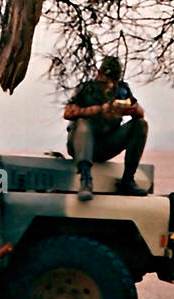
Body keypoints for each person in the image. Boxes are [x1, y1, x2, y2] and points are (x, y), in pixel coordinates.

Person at [63, 55, 149, 201]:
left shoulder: (121, 89)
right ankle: (85, 180)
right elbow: (68, 112)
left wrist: (131, 109)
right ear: (99, 74)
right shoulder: (87, 89)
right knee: (83, 124)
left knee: (140, 125)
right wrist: (98, 110)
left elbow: (140, 112)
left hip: (107, 143)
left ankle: (128, 180)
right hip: (82, 143)